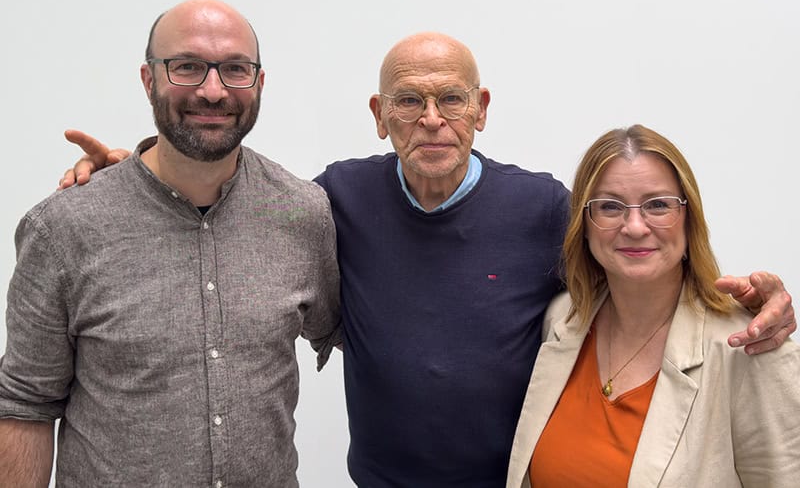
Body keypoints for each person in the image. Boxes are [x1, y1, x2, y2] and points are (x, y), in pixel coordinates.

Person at [54, 34, 796, 487]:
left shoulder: (543, 206)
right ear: (379, 117)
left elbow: (639, 252)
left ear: (482, 108)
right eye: (409, 101)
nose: (432, 118)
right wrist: (143, 171)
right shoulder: (332, 199)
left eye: (452, 98)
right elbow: (236, 213)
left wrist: (756, 298)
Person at [0, 0, 341, 487]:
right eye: (187, 67)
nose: (213, 90)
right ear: (148, 80)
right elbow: (24, 404)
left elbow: (347, 330)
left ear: (259, 83)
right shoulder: (65, 229)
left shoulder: (302, 213)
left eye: (235, 69)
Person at [506, 125, 800, 487]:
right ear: (584, 225)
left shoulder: (749, 349)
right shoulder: (562, 319)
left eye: (658, 205)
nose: (634, 226)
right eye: (610, 206)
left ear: (689, 219)